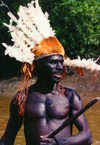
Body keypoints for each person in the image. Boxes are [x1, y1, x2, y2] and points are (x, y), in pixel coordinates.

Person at [0, 53, 92, 145]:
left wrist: (57, 142)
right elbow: (8, 139)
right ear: (39, 65)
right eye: (53, 62)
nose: (60, 67)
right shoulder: (22, 98)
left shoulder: (70, 97)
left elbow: (87, 137)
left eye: (61, 62)